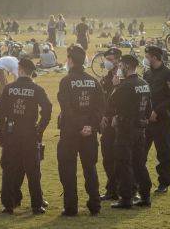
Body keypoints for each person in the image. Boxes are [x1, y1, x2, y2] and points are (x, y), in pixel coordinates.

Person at [0, 58, 52, 214]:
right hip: (30, 133)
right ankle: (36, 204)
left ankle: (8, 204)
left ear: (20, 69)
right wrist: (40, 128)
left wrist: (0, 130)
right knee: (33, 170)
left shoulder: (9, 88)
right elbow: (47, 108)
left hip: (11, 133)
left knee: (9, 169)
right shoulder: (37, 89)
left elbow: (0, 112)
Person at [56, 45, 104, 216]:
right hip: (89, 133)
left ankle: (70, 207)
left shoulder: (66, 81)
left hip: (70, 132)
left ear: (70, 60)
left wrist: (79, 127)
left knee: (68, 170)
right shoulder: (94, 81)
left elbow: (67, 109)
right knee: (90, 169)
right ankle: (95, 204)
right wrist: (90, 126)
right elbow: (100, 108)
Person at [108, 54, 153, 209]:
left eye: (121, 66)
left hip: (125, 128)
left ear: (126, 66)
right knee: (139, 163)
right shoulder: (144, 83)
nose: (119, 69)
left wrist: (114, 86)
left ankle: (126, 198)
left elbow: (111, 103)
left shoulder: (125, 85)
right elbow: (149, 108)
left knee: (124, 163)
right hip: (140, 128)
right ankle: (146, 196)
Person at [143, 46, 170, 194]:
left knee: (163, 152)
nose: (145, 59)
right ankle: (140, 183)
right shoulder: (147, 74)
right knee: (140, 152)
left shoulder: (168, 75)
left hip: (162, 120)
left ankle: (164, 182)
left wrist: (157, 110)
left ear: (154, 57)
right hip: (146, 121)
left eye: (147, 56)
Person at [99, 48, 123, 201]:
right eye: (106, 58)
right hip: (106, 123)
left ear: (118, 60)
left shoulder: (124, 79)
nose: (107, 61)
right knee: (107, 157)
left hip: (120, 124)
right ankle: (112, 188)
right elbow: (102, 101)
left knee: (121, 158)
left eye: (111, 58)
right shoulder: (106, 79)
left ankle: (123, 188)